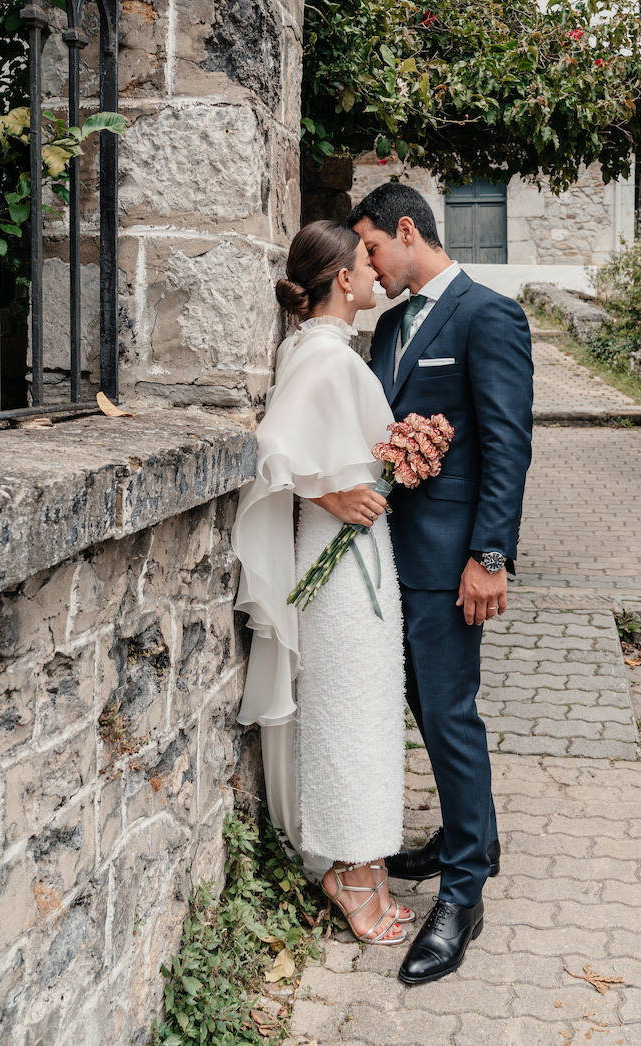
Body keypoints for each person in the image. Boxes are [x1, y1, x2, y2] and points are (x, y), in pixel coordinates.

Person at [349, 182, 534, 986]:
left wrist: (489, 558)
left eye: (372, 248)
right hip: (391, 552)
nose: (369, 265)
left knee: (450, 713)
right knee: (425, 704)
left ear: (406, 230)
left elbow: (507, 445)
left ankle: (465, 893)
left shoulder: (489, 316)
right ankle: (471, 836)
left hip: (453, 558)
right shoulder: (389, 326)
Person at [231, 221, 413, 945]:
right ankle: (353, 874)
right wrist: (327, 494)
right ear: (341, 278)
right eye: (366, 262)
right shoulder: (325, 357)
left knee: (358, 710)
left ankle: (361, 861)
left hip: (351, 559)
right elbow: (273, 446)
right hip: (341, 566)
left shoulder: (321, 349)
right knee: (354, 717)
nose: (375, 273)